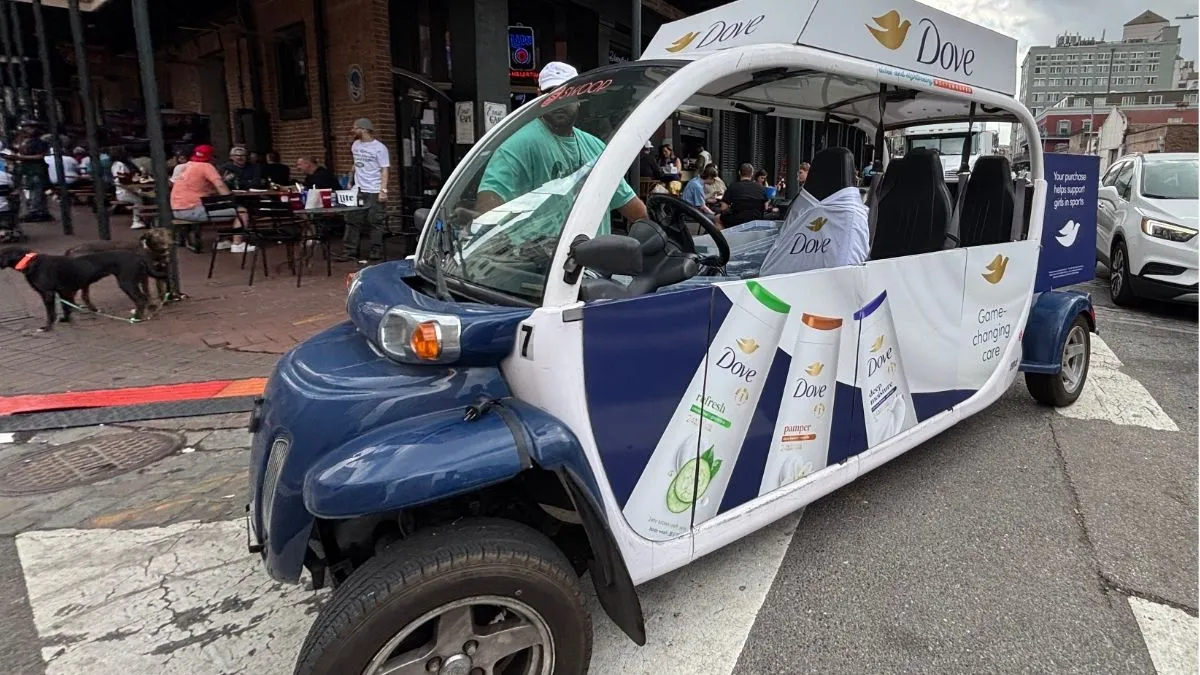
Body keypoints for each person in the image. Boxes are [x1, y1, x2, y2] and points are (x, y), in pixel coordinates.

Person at [474, 61, 648, 235]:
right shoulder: (519, 144)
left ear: (579, 96)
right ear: (538, 97)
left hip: (594, 260)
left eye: (566, 93)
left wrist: (652, 239)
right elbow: (488, 206)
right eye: (551, 94)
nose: (558, 101)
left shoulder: (596, 147)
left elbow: (634, 209)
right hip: (547, 262)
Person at [170, 144, 251, 253]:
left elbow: (198, 187)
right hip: (192, 209)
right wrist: (230, 200)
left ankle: (223, 240)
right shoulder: (206, 166)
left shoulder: (188, 166)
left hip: (178, 209)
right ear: (211, 156)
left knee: (219, 209)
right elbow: (220, 186)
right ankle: (237, 244)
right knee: (241, 211)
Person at [342, 118, 390, 261]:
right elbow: (355, 164)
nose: (353, 131)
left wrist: (383, 190)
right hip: (358, 189)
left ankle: (376, 251)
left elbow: (384, 170)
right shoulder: (355, 145)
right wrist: (350, 181)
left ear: (364, 129)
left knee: (375, 221)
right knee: (352, 220)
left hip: (374, 189)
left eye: (355, 128)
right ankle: (349, 252)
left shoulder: (380, 148)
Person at [10, 121, 51, 221]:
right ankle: (35, 210)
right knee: (31, 190)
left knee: (37, 191)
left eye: (28, 128)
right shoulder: (24, 141)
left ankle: (36, 211)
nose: (26, 131)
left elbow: (40, 156)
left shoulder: (39, 142)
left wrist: (20, 157)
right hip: (28, 170)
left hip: (36, 170)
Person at [718, 163, 767, 228]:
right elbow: (765, 206)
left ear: (739, 172)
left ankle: (722, 238)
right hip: (756, 220)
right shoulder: (761, 188)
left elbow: (723, 208)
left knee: (717, 218)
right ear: (752, 174)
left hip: (737, 221)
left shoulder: (733, 186)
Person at [109, 149, 145, 229]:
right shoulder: (119, 164)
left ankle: (141, 219)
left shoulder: (116, 164)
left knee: (141, 197)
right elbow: (122, 179)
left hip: (122, 191)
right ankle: (136, 221)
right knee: (139, 200)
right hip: (122, 192)